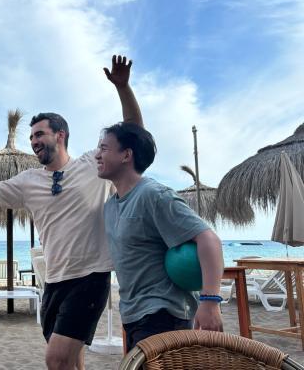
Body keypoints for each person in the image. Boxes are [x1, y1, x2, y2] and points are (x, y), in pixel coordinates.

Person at [0, 55, 143, 370]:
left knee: (55, 359)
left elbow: (134, 132)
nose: (34, 142)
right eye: (31, 138)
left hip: (90, 277)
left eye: (40, 135)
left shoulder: (92, 165)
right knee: (71, 361)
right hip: (53, 282)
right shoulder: (28, 181)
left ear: (60, 135)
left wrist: (123, 88)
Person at [95, 122, 224, 350]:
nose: (97, 155)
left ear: (126, 155)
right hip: (132, 312)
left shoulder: (154, 195)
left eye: (104, 149)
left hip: (163, 313)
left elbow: (209, 239)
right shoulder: (110, 206)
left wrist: (210, 301)